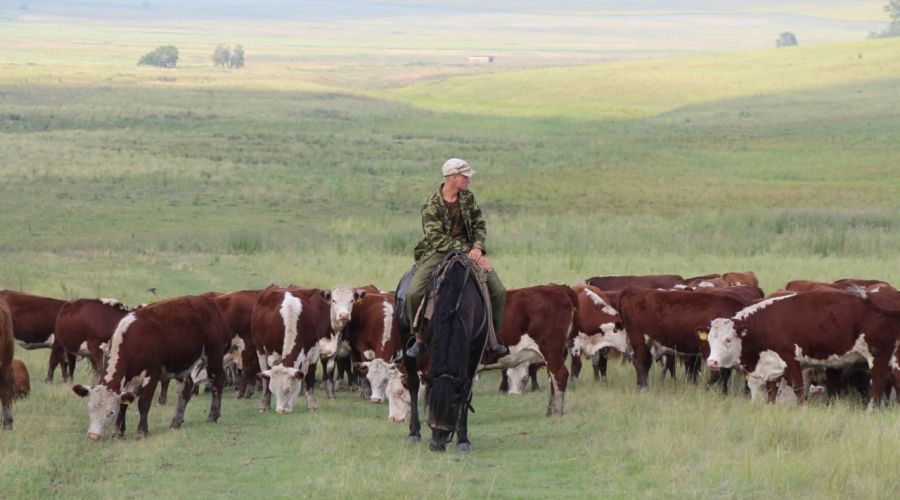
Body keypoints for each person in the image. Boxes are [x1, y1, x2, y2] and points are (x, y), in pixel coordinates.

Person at [405, 158, 508, 358]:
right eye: (465, 176)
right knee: (413, 293)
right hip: (439, 251)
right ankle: (418, 337)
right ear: (453, 177)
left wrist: (477, 247)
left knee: (499, 291)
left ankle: (491, 338)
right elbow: (436, 239)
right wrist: (469, 252)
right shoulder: (431, 205)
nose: (469, 179)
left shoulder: (468, 198)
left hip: (471, 250)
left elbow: (479, 224)